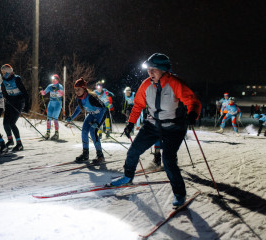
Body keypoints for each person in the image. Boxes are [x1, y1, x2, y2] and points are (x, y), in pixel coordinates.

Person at [110, 53, 201, 207]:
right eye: (149, 70)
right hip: (152, 125)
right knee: (133, 151)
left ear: (164, 70)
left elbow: (193, 101)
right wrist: (131, 123)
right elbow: (138, 105)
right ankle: (127, 177)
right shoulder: (146, 84)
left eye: (154, 70)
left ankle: (179, 194)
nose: (150, 73)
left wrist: (192, 114)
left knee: (168, 160)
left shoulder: (175, 83)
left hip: (174, 127)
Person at [66, 77, 107, 165]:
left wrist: (97, 122)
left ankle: (100, 155)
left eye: (79, 89)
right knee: (84, 131)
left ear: (84, 88)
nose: (77, 91)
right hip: (92, 114)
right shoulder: (79, 98)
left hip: (101, 114)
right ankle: (85, 154)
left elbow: (103, 108)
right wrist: (71, 117)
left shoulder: (91, 97)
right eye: (75, 90)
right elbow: (78, 109)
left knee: (93, 132)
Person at [1, 64, 29, 151]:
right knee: (5, 123)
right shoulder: (4, 80)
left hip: (18, 102)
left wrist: (27, 106)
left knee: (12, 123)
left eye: (4, 72)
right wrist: (7, 97)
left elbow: (25, 93)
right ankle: (10, 140)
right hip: (10, 102)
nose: (2, 74)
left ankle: (19, 144)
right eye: (2, 72)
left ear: (8, 72)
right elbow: (5, 92)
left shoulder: (16, 79)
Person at [40, 74, 64, 140]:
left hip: (57, 103)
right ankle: (48, 133)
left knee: (55, 117)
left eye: (55, 79)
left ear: (57, 80)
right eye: (52, 79)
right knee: (48, 117)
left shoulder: (60, 86)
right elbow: (45, 92)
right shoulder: (50, 86)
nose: (53, 80)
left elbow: (62, 94)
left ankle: (56, 133)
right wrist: (42, 92)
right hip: (51, 102)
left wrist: (56, 90)